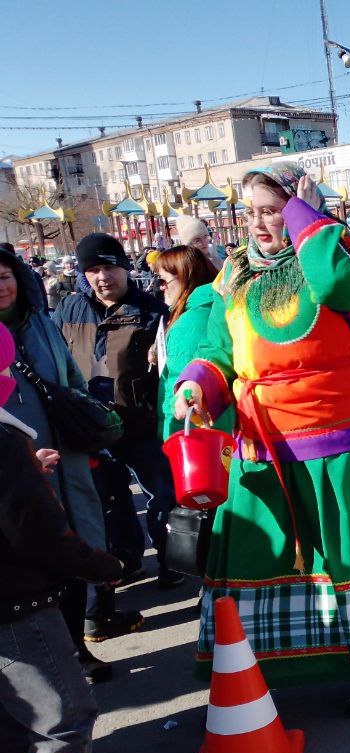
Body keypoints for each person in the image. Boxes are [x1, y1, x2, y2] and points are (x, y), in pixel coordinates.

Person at [172, 161, 350, 716]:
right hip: (261, 442)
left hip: (341, 441)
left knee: (348, 558)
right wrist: (197, 385)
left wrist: (304, 214)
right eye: (251, 212)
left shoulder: (346, 254)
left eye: (271, 210)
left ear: (299, 206)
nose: (258, 224)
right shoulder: (235, 275)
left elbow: (335, 283)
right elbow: (221, 350)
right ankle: (264, 671)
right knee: (258, 560)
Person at [0, 321, 141, 753]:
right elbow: (34, 531)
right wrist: (99, 565)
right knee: (62, 717)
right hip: (15, 602)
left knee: (8, 722)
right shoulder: (5, 440)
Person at [0, 249, 124, 683]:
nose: (2, 286)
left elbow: (71, 376)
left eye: (5, 276)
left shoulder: (39, 321)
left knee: (72, 541)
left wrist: (83, 424)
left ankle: (77, 649)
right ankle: (54, 659)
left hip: (65, 453)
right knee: (38, 551)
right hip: (15, 462)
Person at [55, 232, 179, 606]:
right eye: (92, 269)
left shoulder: (152, 309)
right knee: (110, 499)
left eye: (108, 266)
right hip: (91, 426)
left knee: (162, 494)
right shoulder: (69, 310)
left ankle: (172, 560)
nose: (102, 276)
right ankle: (127, 560)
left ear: (124, 267)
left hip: (140, 423)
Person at [152, 246, 227, 438]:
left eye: (163, 280)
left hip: (194, 436)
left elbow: (180, 392)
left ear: (186, 276)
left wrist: (173, 437)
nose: (160, 287)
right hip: (222, 429)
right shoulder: (216, 307)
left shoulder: (188, 323)